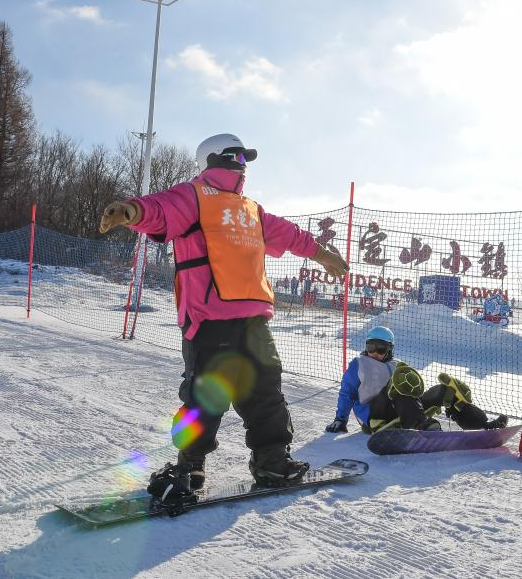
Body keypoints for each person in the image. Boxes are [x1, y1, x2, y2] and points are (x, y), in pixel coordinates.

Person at [99, 133, 350, 502]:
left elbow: (289, 234)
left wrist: (321, 254)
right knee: (205, 396)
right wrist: (131, 211)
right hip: (208, 317)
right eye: (234, 157)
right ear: (211, 160)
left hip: (254, 318)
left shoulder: (251, 209)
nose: (240, 165)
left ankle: (271, 459)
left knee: (265, 392)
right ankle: (189, 465)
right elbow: (161, 209)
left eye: (244, 159)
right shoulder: (194, 196)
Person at [325, 326, 508, 435]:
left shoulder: (398, 365)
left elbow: (413, 393)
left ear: (389, 350)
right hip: (375, 416)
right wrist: (340, 420)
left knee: (444, 390)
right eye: (370, 347)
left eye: (380, 349)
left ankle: (481, 425)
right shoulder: (359, 364)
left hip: (402, 411)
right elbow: (347, 392)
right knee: (400, 385)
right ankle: (421, 425)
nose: (374, 353)